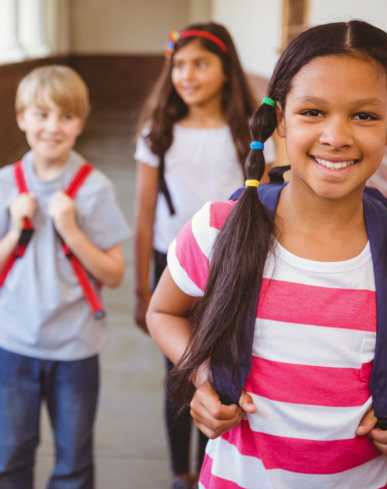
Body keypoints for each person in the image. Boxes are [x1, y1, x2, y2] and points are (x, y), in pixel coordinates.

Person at [146, 20, 387, 489]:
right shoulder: (219, 230)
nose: (336, 136)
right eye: (313, 112)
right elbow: (164, 312)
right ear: (279, 119)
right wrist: (202, 374)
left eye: (364, 116)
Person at [0, 65, 131, 489]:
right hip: (15, 342)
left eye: (66, 116)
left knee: (73, 462)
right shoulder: (4, 183)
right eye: (40, 115)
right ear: (22, 117)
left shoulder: (94, 188)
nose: (52, 127)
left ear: (81, 122)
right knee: (9, 454)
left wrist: (71, 229)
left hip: (75, 346)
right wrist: (13, 229)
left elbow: (114, 273)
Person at [132, 23, 275, 489]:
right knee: (179, 371)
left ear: (227, 70)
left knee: (224, 368)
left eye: (201, 64)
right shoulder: (158, 134)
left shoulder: (251, 135)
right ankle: (180, 472)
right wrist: (142, 290)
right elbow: (144, 215)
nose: (187, 75)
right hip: (172, 271)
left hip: (232, 269)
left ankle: (217, 462)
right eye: (179, 65)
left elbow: (269, 203)